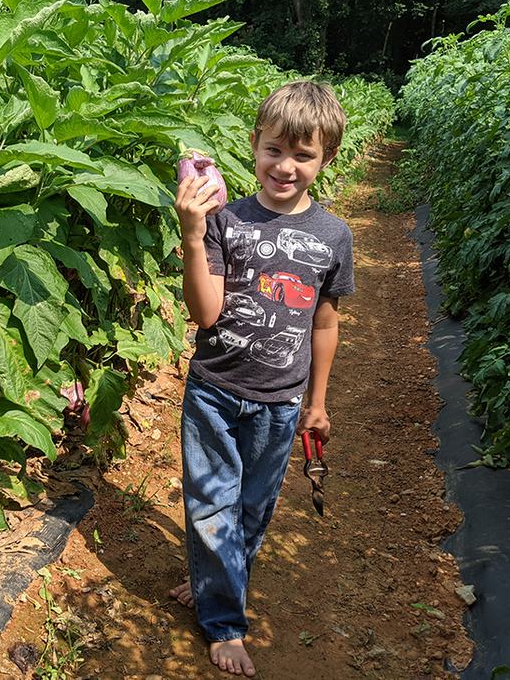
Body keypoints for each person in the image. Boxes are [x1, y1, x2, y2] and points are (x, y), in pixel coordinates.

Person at [169, 80, 354, 677]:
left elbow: (323, 324)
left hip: (281, 402)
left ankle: (214, 577)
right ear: (254, 146)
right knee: (211, 504)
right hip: (215, 393)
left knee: (252, 508)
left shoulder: (333, 236)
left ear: (326, 160)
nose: (286, 166)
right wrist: (194, 235)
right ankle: (224, 620)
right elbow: (206, 313)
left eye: (304, 155)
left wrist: (317, 403)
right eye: (275, 149)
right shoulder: (225, 221)